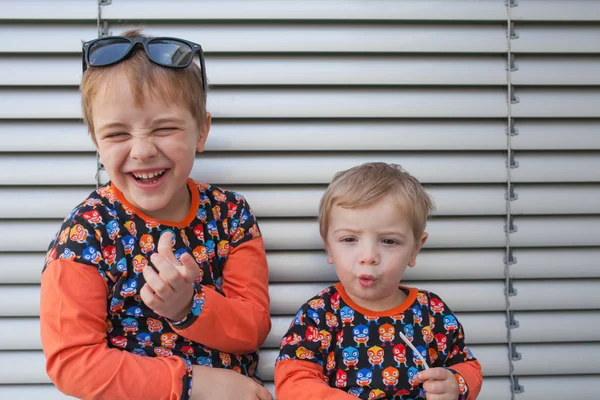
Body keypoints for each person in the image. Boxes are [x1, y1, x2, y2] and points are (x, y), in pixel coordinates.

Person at [40, 29, 272, 400]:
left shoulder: (231, 215)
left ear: (201, 131)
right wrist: (192, 383)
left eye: (164, 128)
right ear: (96, 142)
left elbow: (253, 326)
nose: (143, 151)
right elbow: (74, 363)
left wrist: (189, 306)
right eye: (117, 134)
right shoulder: (86, 231)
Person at [274, 162, 483, 399]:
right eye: (350, 239)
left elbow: (467, 366)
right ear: (328, 247)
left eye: (389, 241)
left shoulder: (431, 311)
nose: (369, 257)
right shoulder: (320, 313)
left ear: (415, 249)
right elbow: (293, 380)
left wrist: (456, 384)